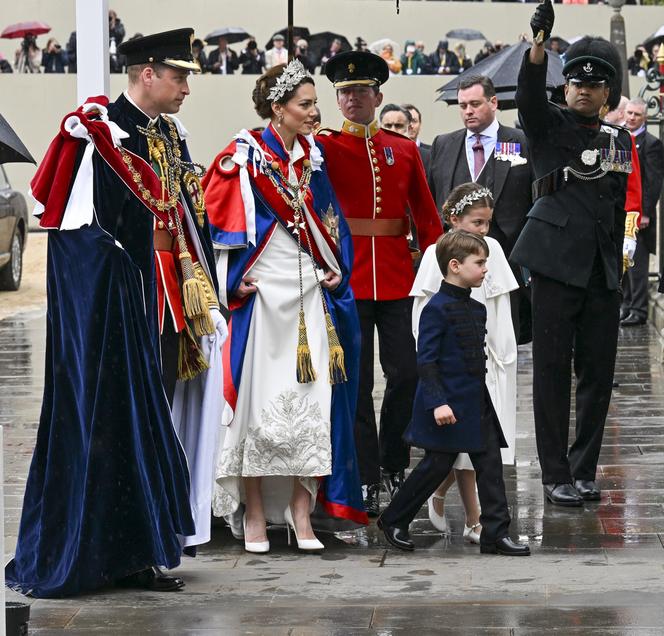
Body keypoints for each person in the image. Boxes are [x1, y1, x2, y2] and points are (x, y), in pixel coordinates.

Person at [5, 28, 224, 598]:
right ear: (146, 73)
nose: (186, 89)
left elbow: (184, 217)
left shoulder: (167, 135)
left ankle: (138, 550)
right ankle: (97, 553)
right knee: (106, 420)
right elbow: (74, 239)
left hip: (163, 293)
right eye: (179, 76)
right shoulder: (94, 136)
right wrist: (119, 293)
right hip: (117, 303)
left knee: (149, 418)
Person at [201, 60, 367, 553]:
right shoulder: (242, 156)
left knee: (313, 403)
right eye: (306, 104)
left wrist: (339, 268)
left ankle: (301, 511)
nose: (316, 112)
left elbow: (332, 222)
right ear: (278, 109)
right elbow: (217, 227)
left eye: (315, 103)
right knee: (255, 407)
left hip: (309, 291)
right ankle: (254, 512)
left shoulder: (314, 158)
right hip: (261, 297)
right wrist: (232, 281)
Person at [510, 1, 636, 506]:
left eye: (594, 84)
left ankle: (584, 469)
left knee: (598, 375)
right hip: (556, 264)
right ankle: (554, 473)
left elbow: (616, 204)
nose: (583, 90)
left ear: (607, 93)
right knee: (552, 372)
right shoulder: (549, 124)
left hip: (602, 268)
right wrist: (538, 48)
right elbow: (527, 100)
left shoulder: (618, 137)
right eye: (576, 83)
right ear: (566, 88)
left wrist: (620, 262)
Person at [317, 51, 442, 516]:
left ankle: (393, 461)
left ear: (377, 96)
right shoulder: (323, 147)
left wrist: (439, 267)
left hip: (395, 277)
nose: (352, 99)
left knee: (406, 374)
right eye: (344, 92)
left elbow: (426, 217)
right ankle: (366, 475)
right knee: (355, 385)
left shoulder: (403, 148)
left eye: (360, 91)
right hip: (346, 278)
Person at [376, 231, 529, 557]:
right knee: (435, 465)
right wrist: (438, 402)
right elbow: (427, 361)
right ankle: (393, 519)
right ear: (456, 266)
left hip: (476, 403)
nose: (486, 269)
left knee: (490, 466)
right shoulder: (436, 309)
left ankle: (495, 533)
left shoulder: (476, 309)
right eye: (480, 263)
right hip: (447, 404)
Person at [411, 183, 518, 542]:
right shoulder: (435, 253)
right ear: (454, 218)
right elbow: (423, 314)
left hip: (488, 360)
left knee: (482, 449)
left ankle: (470, 513)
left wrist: (504, 354)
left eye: (487, 223)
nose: (483, 232)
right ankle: (474, 517)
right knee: (456, 445)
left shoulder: (495, 251)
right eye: (476, 223)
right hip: (453, 365)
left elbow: (501, 305)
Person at [427, 75, 533, 343]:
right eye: (462, 105)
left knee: (505, 337)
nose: (468, 111)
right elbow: (432, 198)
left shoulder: (522, 141)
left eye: (475, 103)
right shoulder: (443, 144)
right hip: (455, 263)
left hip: (509, 256)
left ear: (493, 102)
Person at [621, 98, 664, 326]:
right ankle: (627, 305)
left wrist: (645, 212)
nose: (631, 118)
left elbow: (653, 181)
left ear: (644, 117)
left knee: (637, 265)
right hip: (623, 212)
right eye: (629, 113)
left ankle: (638, 310)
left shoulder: (651, 143)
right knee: (625, 262)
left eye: (636, 114)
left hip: (640, 216)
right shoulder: (621, 138)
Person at [403, 103, 431, 173]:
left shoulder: (432, 152)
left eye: (414, 121)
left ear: (420, 124)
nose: (410, 125)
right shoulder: (391, 152)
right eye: (406, 121)